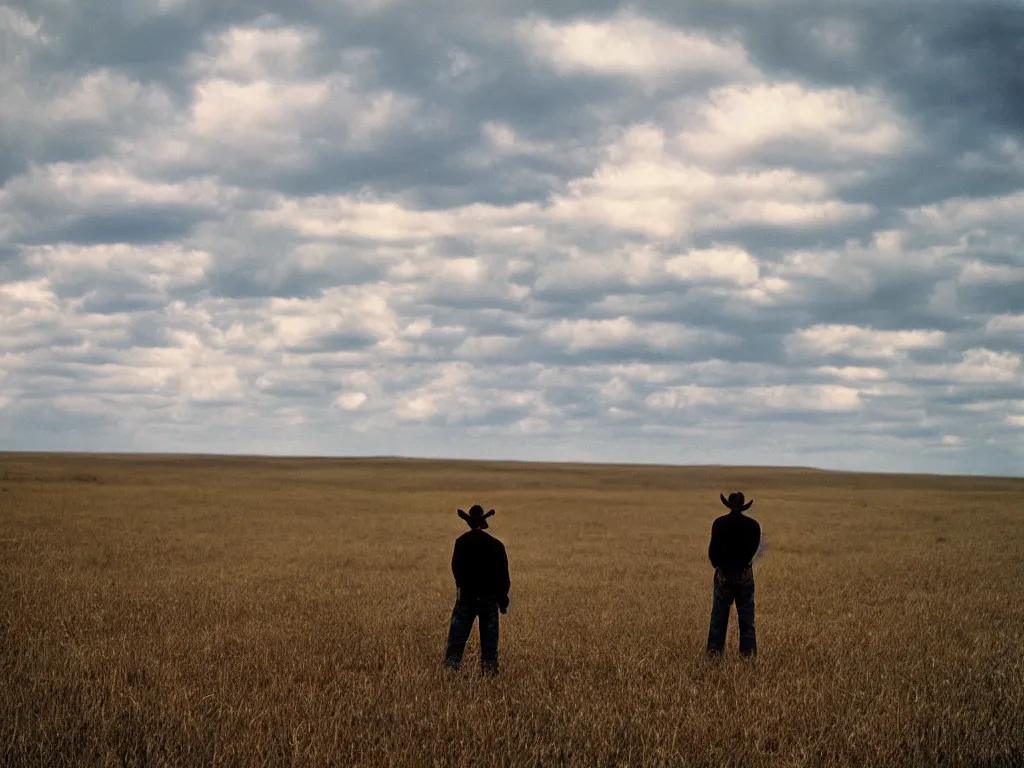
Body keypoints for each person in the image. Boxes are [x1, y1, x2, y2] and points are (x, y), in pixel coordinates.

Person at [443, 505, 511, 676]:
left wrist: (462, 588)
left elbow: (456, 569)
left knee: (457, 638)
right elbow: (503, 575)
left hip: (467, 596)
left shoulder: (461, 542)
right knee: (489, 641)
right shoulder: (496, 545)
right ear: (484, 522)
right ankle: (489, 672)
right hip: (489, 598)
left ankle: (451, 670)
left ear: (469, 523)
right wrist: (503, 600)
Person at [706, 491, 761, 658]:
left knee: (718, 619)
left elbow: (712, 553)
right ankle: (749, 657)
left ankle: (714, 657)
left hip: (724, 576)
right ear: (744, 506)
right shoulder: (753, 526)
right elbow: (752, 551)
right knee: (747, 621)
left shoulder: (719, 523)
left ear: (728, 505)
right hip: (744, 576)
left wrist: (720, 566)